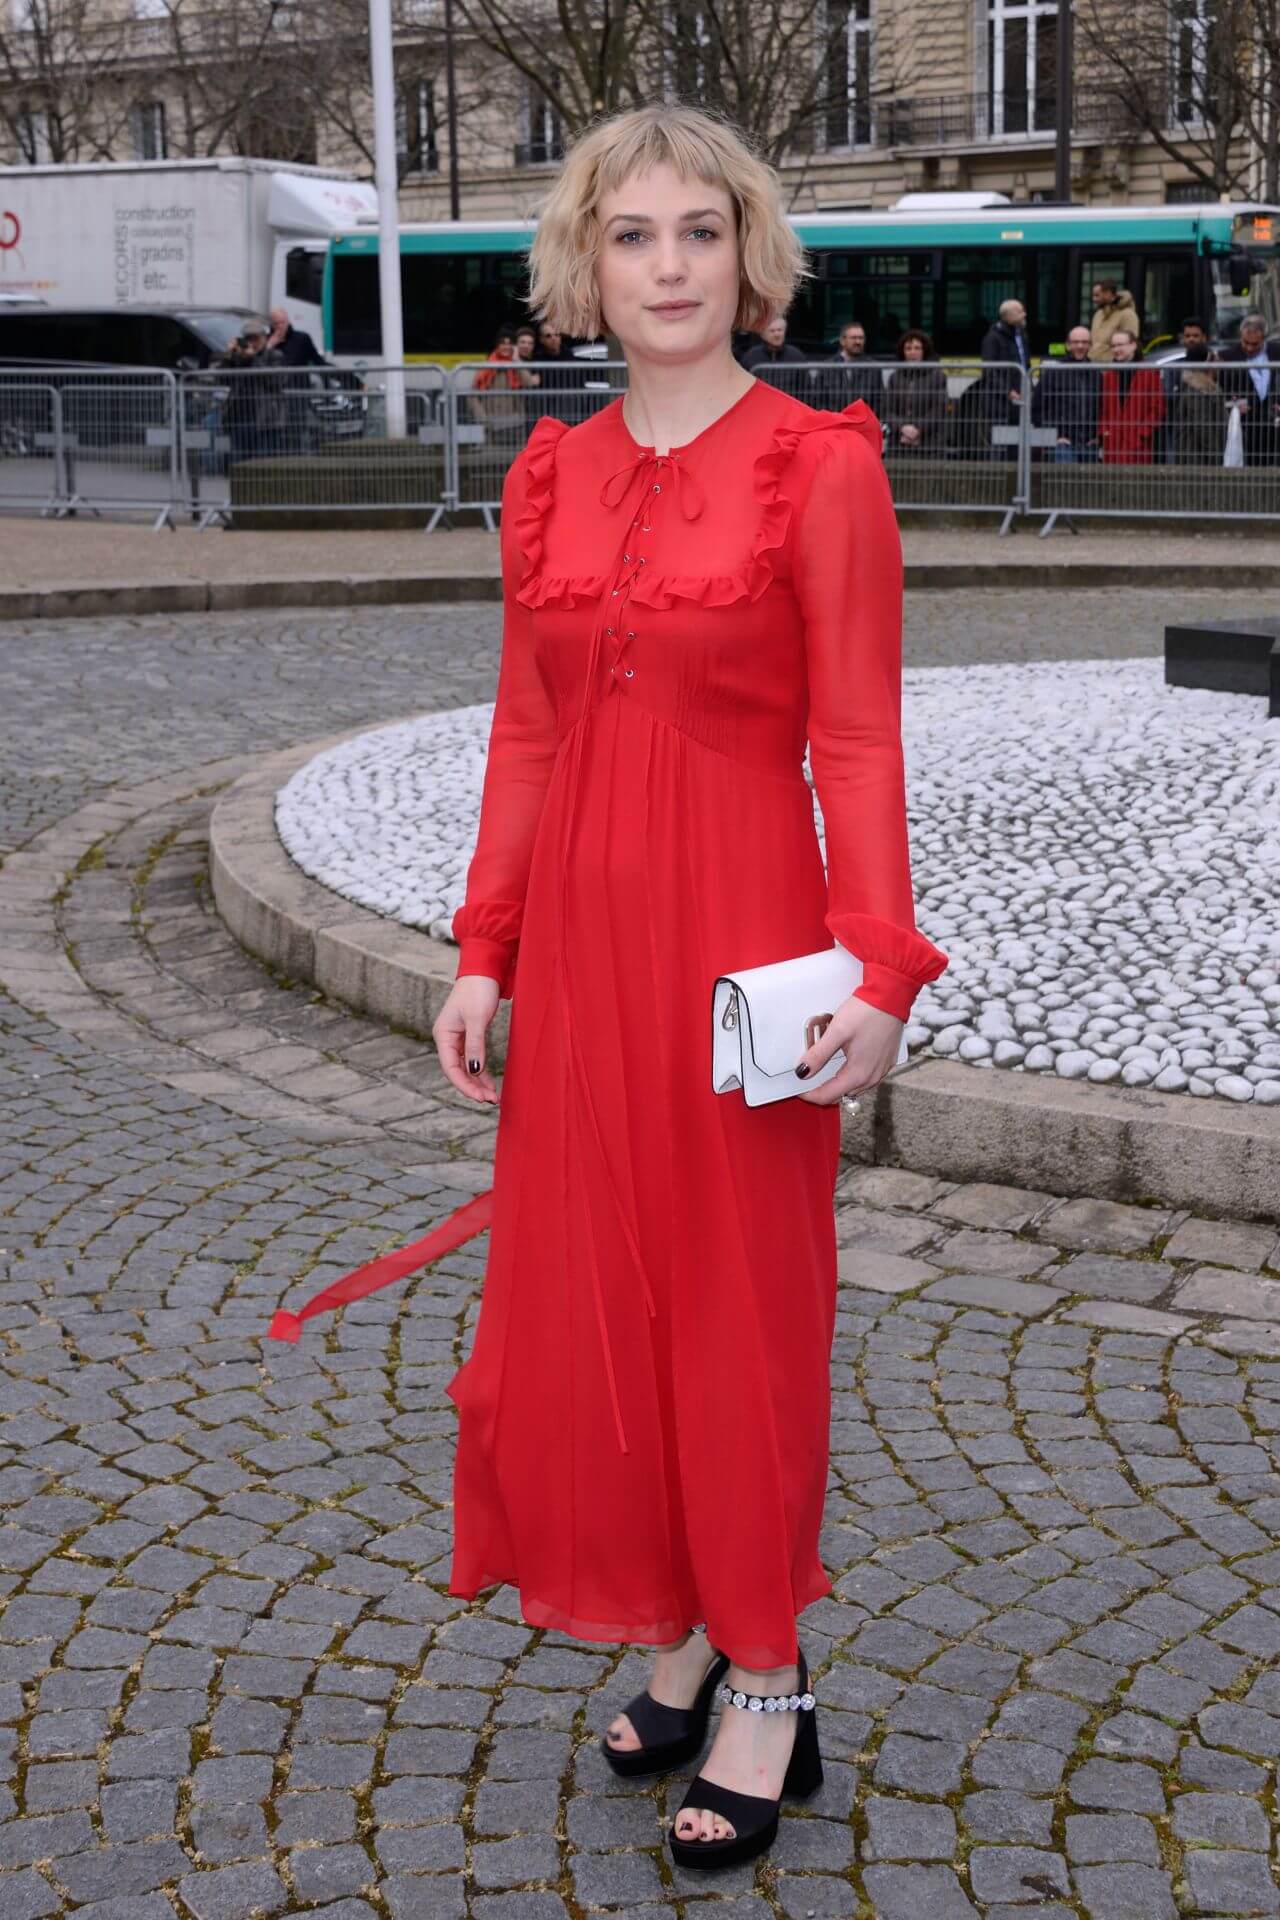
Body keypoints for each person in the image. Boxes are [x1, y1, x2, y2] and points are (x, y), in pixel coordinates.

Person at [431, 103, 947, 1871]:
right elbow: (527, 729)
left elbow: (859, 738)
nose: (668, 267)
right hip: (581, 949)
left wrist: (880, 967)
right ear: (585, 262)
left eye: (700, 234)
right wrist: (484, 945)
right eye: (634, 235)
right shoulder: (546, 475)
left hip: (747, 948)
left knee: (738, 1319)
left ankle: (771, 1682)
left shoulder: (824, 467)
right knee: (600, 1310)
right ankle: (675, 1626)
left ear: (752, 256)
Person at [214, 318, 286, 462]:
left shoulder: (274, 355)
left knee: (262, 466)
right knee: (239, 465)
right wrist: (229, 356)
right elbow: (221, 379)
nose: (252, 343)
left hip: (264, 419)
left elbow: (276, 380)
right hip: (239, 419)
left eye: (256, 338)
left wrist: (253, 358)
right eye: (248, 339)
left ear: (264, 339)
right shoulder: (239, 358)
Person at [1218, 312, 1280, 466]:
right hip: (1246, 425)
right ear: (1241, 335)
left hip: (1274, 422)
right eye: (1245, 342)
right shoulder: (1227, 356)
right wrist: (1234, 404)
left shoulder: (1276, 352)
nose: (1249, 348)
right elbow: (1221, 391)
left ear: (1264, 339)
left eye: (1255, 344)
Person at [1033, 325, 1101, 461]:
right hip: (1063, 444)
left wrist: (1097, 436)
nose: (1080, 346)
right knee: (1064, 481)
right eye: (1076, 342)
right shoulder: (1053, 373)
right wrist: (1056, 435)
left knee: (1091, 482)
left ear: (1090, 345)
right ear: (1068, 345)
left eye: (1085, 342)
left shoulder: (1096, 373)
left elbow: (1102, 408)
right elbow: (1036, 409)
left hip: (1090, 443)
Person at [1098, 328, 1165, 464]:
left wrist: (1141, 434)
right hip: (1113, 442)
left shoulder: (1149, 374)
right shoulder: (1109, 376)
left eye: (1120, 345)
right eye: (1113, 346)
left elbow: (1157, 409)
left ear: (1133, 345)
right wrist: (1104, 431)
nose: (1116, 349)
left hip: (1138, 444)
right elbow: (1102, 409)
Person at [469, 324, 536, 448]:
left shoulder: (517, 366)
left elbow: (528, 383)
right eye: (502, 343)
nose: (506, 346)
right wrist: (483, 418)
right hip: (491, 427)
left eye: (509, 343)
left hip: (515, 427)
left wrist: (516, 360)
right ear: (497, 345)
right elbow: (472, 396)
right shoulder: (487, 366)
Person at [883, 328, 948, 453]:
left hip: (929, 443)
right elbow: (887, 409)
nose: (913, 352)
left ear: (925, 351)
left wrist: (918, 429)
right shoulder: (894, 377)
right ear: (903, 352)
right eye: (908, 348)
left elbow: (939, 408)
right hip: (899, 441)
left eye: (917, 348)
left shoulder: (938, 376)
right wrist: (903, 428)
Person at [978, 298, 1029, 456]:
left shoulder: (1021, 335)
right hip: (998, 402)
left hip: (1019, 399)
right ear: (1007, 316)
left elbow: (1024, 363)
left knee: (1016, 446)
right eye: (1019, 312)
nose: (1024, 314)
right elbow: (990, 370)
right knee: (1000, 445)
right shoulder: (993, 338)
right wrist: (1007, 391)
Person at [815, 320, 884, 417]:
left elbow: (879, 399)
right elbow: (818, 399)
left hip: (862, 424)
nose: (858, 342)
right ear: (842, 341)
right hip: (835, 423)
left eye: (861, 338)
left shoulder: (873, 367)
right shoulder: (827, 367)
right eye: (853, 338)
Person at [1172, 342, 1225, 464]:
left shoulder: (1203, 388)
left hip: (1198, 456)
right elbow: (1203, 427)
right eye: (1216, 359)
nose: (1220, 363)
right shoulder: (1198, 390)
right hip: (1196, 458)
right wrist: (1216, 456)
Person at [741, 312, 809, 395]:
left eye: (779, 330)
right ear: (762, 334)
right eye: (772, 331)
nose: (777, 334)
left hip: (789, 404)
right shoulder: (751, 356)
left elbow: (806, 389)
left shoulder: (797, 356)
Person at [1088, 279, 1141, 362]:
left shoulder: (1128, 315)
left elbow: (1130, 346)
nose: (1094, 299)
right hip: (1094, 367)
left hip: (1116, 368)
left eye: (1097, 295)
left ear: (1108, 294)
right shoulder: (1098, 314)